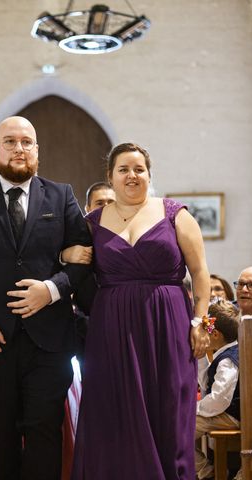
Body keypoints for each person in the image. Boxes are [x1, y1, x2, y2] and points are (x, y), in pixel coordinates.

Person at [0, 116, 91, 480]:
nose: (19, 149)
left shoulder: (62, 195)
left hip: (49, 339)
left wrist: (51, 289)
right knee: (0, 435)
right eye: (10, 142)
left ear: (37, 150)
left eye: (27, 142)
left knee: (44, 433)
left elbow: (85, 255)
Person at [70, 142, 211, 479]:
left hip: (169, 325)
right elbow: (74, 269)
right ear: (111, 177)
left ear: (149, 175)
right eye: (123, 170)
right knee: (113, 417)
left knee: (169, 414)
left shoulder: (176, 214)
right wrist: (69, 256)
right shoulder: (91, 223)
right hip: (111, 331)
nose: (132, 176)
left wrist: (200, 322)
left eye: (139, 169)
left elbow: (201, 272)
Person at [195, 300, 241, 480]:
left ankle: (206, 471)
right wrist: (200, 356)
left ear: (214, 334)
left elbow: (218, 399)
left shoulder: (228, 360)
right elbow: (206, 382)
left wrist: (195, 409)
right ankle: (205, 470)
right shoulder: (223, 354)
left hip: (229, 416)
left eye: (203, 332)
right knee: (176, 427)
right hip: (222, 413)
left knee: (177, 429)